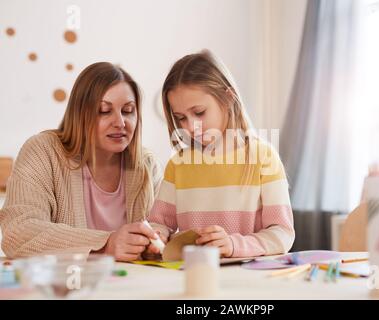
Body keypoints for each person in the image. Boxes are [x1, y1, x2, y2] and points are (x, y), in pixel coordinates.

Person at [0, 62, 163, 261]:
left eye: (128, 111)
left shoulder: (147, 165)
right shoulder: (42, 151)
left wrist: (158, 241)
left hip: (129, 286)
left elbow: (160, 229)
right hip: (63, 288)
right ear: (79, 114)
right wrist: (106, 244)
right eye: (104, 111)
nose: (120, 122)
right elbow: (19, 233)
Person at [147, 50, 295, 258]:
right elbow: (159, 224)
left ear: (228, 97)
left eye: (199, 113)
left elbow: (282, 233)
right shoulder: (179, 164)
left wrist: (234, 245)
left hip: (248, 280)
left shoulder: (263, 158)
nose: (190, 126)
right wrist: (157, 236)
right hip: (195, 275)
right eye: (180, 117)